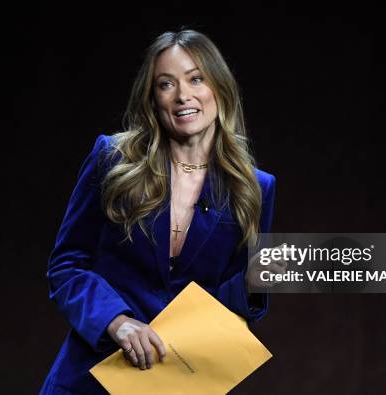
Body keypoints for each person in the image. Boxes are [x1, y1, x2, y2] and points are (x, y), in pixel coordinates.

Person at [40, 29, 281, 394]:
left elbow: (229, 306)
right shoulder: (112, 158)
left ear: (219, 87)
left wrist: (254, 280)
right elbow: (66, 264)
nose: (183, 95)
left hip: (176, 383)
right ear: (153, 99)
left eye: (196, 79)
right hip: (88, 378)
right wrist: (116, 321)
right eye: (166, 84)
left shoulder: (254, 187)